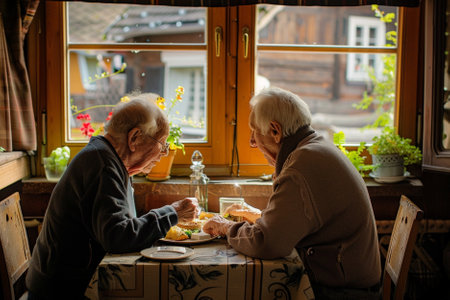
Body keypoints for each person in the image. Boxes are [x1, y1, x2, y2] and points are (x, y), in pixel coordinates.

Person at [203, 87, 381, 299]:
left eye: (254, 131)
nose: (251, 141)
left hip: (342, 292)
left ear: (275, 131)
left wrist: (226, 227)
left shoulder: (301, 166)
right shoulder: (314, 149)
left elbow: (267, 244)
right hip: (349, 281)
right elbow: (295, 225)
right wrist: (262, 217)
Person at [26, 94, 199, 300]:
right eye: (161, 144)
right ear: (134, 138)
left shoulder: (107, 158)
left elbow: (119, 225)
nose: (163, 153)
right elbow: (118, 237)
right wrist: (173, 212)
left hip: (65, 284)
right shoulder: (102, 165)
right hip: (62, 291)